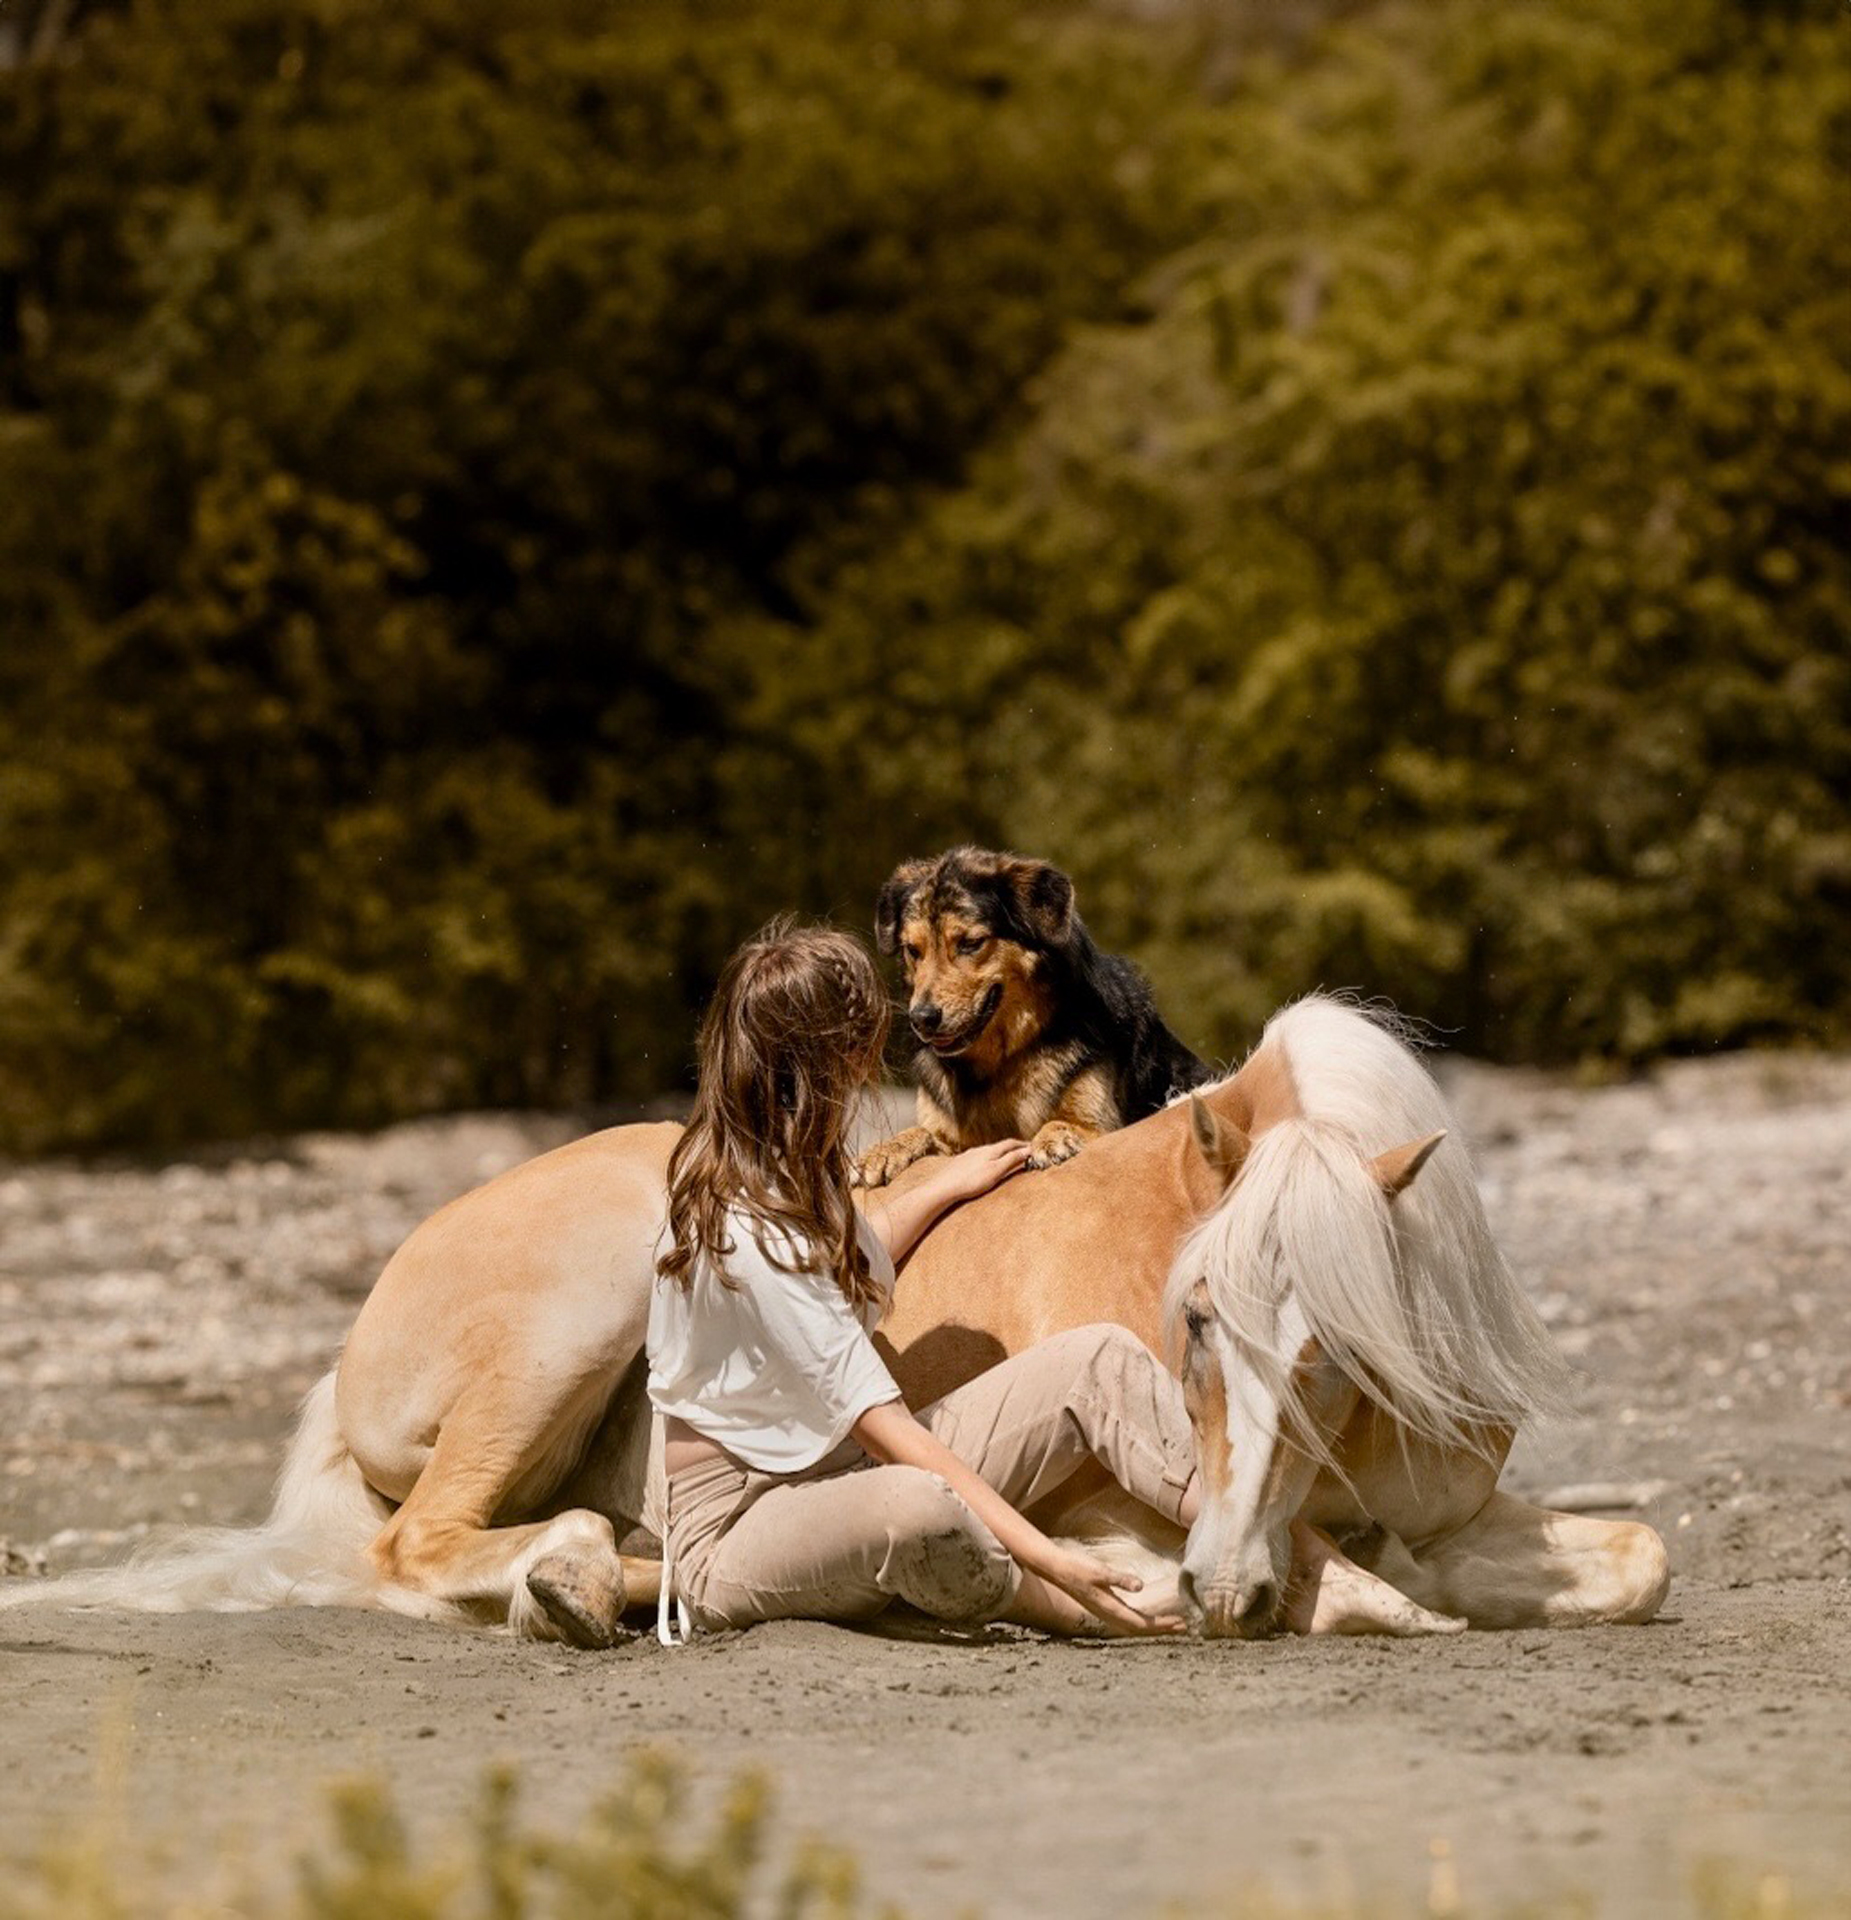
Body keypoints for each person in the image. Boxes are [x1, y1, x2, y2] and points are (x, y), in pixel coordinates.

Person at [647, 917, 1202, 1639]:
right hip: (737, 1521)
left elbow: (835, 1271)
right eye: (860, 1044)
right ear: (827, 1059)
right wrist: (1044, 1555)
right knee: (920, 1509)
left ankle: (1241, 1529)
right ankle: (1070, 1606)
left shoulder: (780, 1167)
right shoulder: (744, 1226)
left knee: (1097, 1360)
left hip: (832, 1466)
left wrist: (944, 1187)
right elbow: (884, 1428)